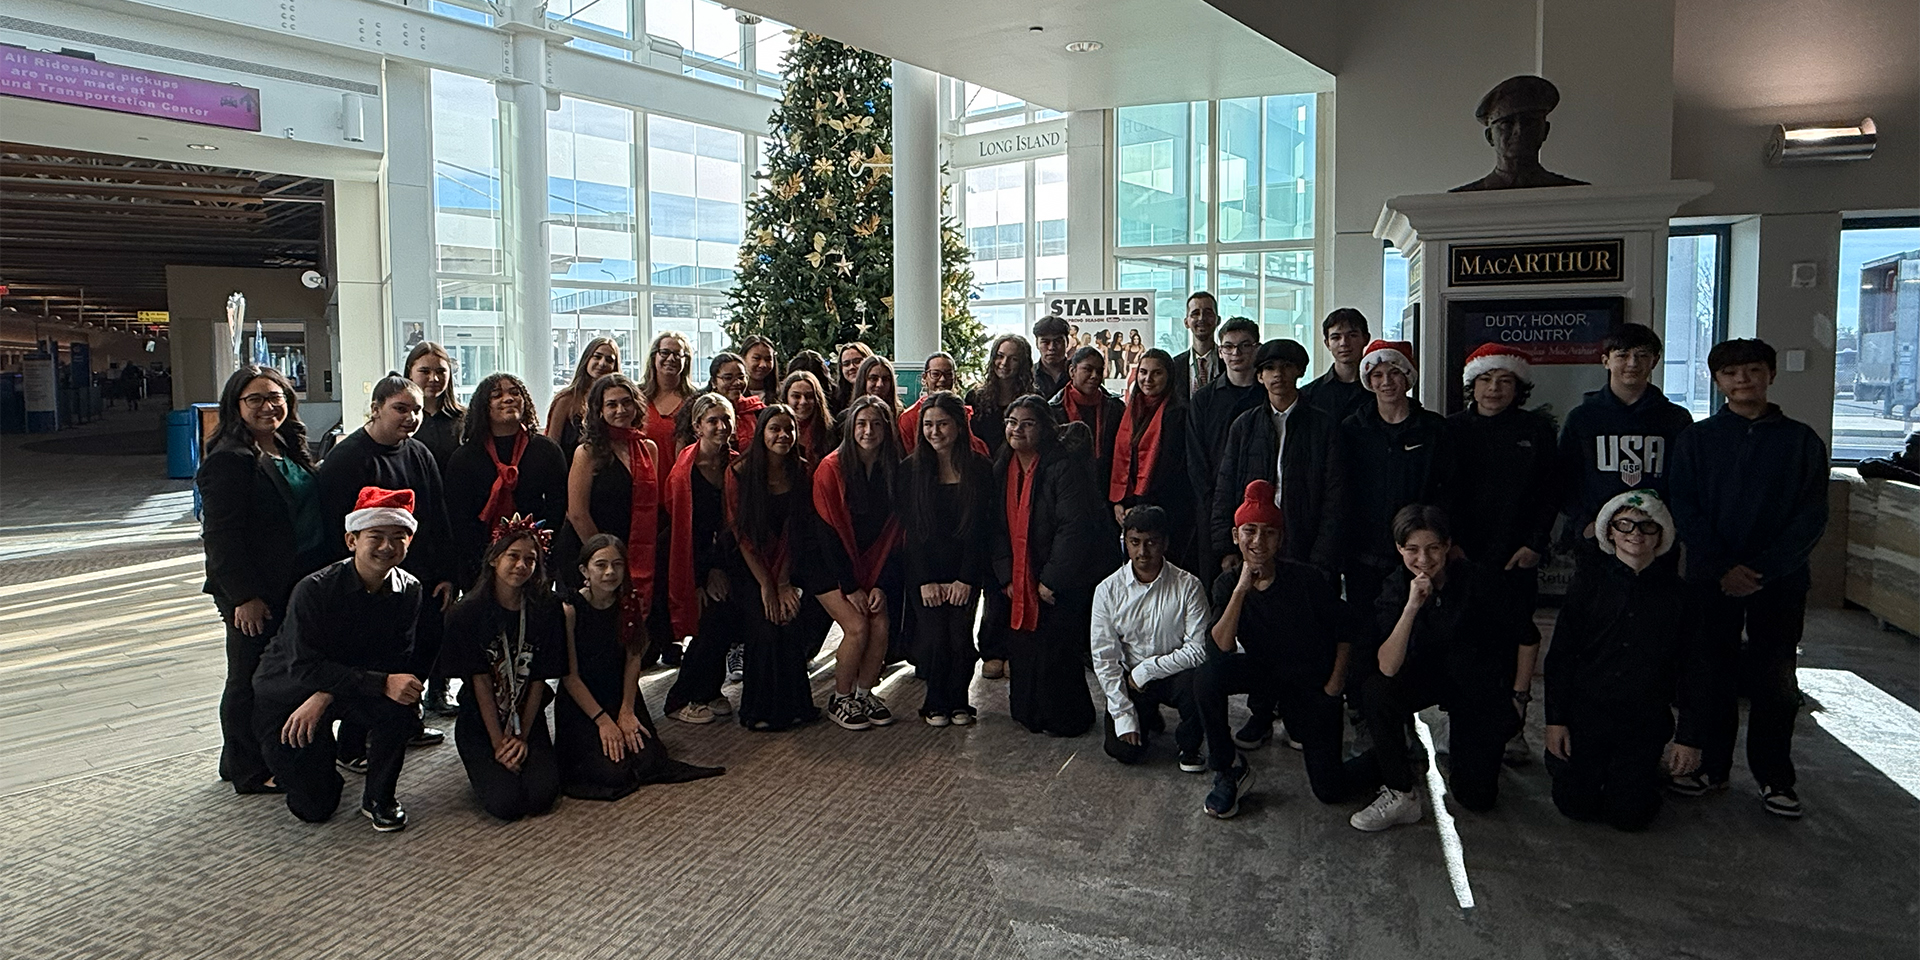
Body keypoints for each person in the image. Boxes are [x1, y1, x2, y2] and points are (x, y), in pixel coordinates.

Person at [1666, 338, 1829, 818]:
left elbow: (1811, 516)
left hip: (1779, 582)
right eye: (1732, 374)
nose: (1743, 381)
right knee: (1708, 672)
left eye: (1753, 371)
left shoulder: (1801, 441)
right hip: (1710, 579)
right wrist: (1722, 568)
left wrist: (1764, 570)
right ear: (1716, 381)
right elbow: (1685, 506)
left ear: (1770, 376)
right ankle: (1710, 767)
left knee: (1776, 680)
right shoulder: (1697, 439)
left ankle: (1775, 776)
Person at [251, 487, 425, 831]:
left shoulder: (410, 589)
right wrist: (326, 692)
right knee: (314, 807)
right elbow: (302, 667)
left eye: (398, 537)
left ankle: (379, 797)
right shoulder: (313, 590)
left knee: (401, 705)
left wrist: (328, 693)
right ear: (351, 540)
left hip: (339, 686)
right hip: (290, 690)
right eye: (376, 536)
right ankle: (321, 764)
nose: (387, 546)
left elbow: (395, 657)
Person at [1197, 481, 1372, 819]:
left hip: (1311, 682)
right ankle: (1228, 769)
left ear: (1280, 539)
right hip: (1266, 674)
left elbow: (1348, 626)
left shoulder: (1307, 580)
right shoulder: (1227, 584)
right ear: (1236, 536)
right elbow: (1219, 648)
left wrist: (1335, 687)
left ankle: (1384, 759)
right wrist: (1241, 589)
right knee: (1208, 677)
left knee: (1330, 790)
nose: (1258, 542)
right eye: (1250, 531)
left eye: (1268, 533)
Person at [1349, 505, 1530, 832]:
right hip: (1424, 676)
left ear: (1447, 546)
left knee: (1477, 798)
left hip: (1474, 684)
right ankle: (1401, 792)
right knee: (1376, 690)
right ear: (1400, 549)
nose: (1424, 559)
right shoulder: (1395, 586)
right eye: (1413, 549)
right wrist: (1412, 606)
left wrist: (1519, 697)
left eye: (1433, 548)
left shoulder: (1477, 581)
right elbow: (1388, 667)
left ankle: (1466, 746)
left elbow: (1527, 636)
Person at [1545, 490, 1710, 831]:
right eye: (1625, 525)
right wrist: (1555, 721)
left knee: (1630, 818)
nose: (1635, 534)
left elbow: (1696, 669)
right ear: (1609, 532)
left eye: (1647, 527)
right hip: (1586, 714)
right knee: (1575, 806)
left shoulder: (1680, 597)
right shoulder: (1587, 586)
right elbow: (1561, 658)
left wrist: (1688, 737)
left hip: (1643, 720)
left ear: (1661, 535)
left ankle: (1637, 775)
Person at [198, 365, 328, 795]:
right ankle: (247, 770)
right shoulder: (229, 461)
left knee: (275, 673)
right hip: (255, 591)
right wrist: (244, 597)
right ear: (236, 407)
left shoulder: (287, 448)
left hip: (294, 582)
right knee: (248, 676)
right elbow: (220, 537)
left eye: (275, 397)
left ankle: (237, 759)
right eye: (255, 399)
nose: (267, 406)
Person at [317, 375, 455, 754]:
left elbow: (437, 518)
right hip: (365, 582)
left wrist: (445, 574)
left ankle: (406, 721)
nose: (410, 417)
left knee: (418, 651)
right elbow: (333, 530)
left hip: (418, 579)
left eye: (415, 410)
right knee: (372, 660)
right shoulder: (347, 459)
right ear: (375, 409)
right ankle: (353, 741)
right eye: (400, 408)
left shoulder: (419, 453)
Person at [1446, 343, 1559, 764]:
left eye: (1504, 380)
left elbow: (1550, 494)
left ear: (1518, 387)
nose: (1494, 389)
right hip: (1463, 558)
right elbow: (1443, 493)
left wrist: (1535, 544)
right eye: (1486, 380)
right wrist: (1450, 545)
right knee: (1465, 640)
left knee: (1514, 639)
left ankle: (1513, 725)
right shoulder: (1452, 430)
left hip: (1517, 558)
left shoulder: (1536, 431)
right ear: (1472, 385)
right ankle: (1462, 722)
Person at [557, 534, 724, 801]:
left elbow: (633, 659)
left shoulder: (629, 603)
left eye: (617, 564)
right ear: (583, 570)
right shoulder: (570, 610)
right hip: (583, 703)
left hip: (619, 694)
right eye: (601, 565)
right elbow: (570, 677)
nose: (610, 572)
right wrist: (603, 721)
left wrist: (626, 710)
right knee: (613, 775)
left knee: (647, 761)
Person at [992, 397, 1113, 737]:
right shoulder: (1003, 465)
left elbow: (1074, 528)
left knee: (1056, 652)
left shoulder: (1063, 466)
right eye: (1011, 421)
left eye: (1027, 423)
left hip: (1058, 580)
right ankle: (1028, 713)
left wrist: (1050, 580)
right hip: (1018, 576)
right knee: (1024, 649)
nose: (1017, 429)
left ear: (1045, 428)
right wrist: (1007, 575)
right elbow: (996, 527)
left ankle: (1065, 718)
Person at [442, 517, 565, 822]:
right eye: (513, 556)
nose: (521, 566)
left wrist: (521, 737)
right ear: (495, 558)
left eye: (530, 559)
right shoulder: (467, 613)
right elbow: (479, 681)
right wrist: (500, 744)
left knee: (541, 797)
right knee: (506, 804)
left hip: (527, 718)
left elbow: (539, 678)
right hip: (481, 723)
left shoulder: (547, 609)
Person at [1556, 323, 1694, 570]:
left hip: (1655, 541)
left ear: (1655, 361)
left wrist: (1671, 526)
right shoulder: (1582, 418)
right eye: (1622, 355)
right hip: (1596, 540)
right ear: (1605, 361)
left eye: (1642, 355)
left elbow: (1687, 480)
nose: (1632, 363)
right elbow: (1563, 477)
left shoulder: (1676, 419)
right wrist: (1584, 523)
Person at [1337, 339, 1452, 621]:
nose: (1386, 382)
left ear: (1408, 378)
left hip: (1419, 557)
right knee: (1364, 631)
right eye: (1377, 375)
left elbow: (1450, 487)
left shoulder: (1435, 429)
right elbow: (1340, 490)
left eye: (1395, 373)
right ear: (1368, 380)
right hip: (1364, 556)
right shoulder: (1352, 429)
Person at [898, 391, 993, 726]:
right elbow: (912, 532)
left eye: (942, 424)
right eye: (928, 424)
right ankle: (935, 702)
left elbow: (981, 530)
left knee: (960, 639)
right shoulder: (909, 470)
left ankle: (959, 702)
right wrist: (925, 580)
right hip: (924, 570)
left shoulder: (980, 468)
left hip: (964, 570)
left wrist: (966, 579)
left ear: (959, 425)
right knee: (935, 638)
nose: (934, 431)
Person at [1210, 338, 1344, 576]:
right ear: (1260, 376)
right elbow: (1225, 486)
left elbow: (1335, 493)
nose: (1278, 374)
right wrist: (1224, 547)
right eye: (1269, 368)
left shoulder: (1323, 425)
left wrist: (1324, 554)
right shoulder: (1244, 425)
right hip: (1255, 541)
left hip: (1306, 539)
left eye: (1286, 366)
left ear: (1300, 371)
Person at [1089, 506, 1210, 768]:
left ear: (1165, 543)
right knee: (1123, 752)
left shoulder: (1189, 586)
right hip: (1131, 680)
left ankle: (1189, 746)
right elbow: (1105, 657)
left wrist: (1146, 671)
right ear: (1126, 543)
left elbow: (1199, 649)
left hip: (1175, 674)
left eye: (1151, 543)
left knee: (1201, 681)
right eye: (1135, 543)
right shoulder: (1107, 591)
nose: (1142, 552)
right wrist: (1123, 714)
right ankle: (1147, 714)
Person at [555, 374, 662, 664]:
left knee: (624, 634)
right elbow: (577, 513)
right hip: (586, 550)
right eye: (611, 404)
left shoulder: (648, 448)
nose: (620, 410)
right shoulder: (587, 452)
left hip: (631, 550)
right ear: (599, 411)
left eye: (626, 403)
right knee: (591, 636)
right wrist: (606, 560)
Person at [728, 404, 823, 731]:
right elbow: (741, 535)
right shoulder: (739, 472)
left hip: (790, 566)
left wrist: (783, 582)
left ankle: (796, 707)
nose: (783, 435)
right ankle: (760, 710)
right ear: (761, 433)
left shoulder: (802, 471)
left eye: (789, 430)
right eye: (775, 429)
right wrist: (767, 586)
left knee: (789, 620)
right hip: (748, 568)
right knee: (765, 624)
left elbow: (799, 532)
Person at [813, 396, 905, 730]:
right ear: (850, 427)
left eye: (877, 424)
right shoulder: (831, 468)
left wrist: (879, 583)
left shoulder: (893, 467)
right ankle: (840, 697)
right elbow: (827, 534)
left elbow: (894, 535)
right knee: (857, 625)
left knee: (880, 622)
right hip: (826, 567)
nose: (868, 431)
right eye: (862, 424)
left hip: (872, 566)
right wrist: (850, 587)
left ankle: (864, 693)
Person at [443, 373, 568, 590]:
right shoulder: (465, 457)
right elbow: (459, 519)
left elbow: (558, 507)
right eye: (497, 395)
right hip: (480, 563)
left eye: (514, 393)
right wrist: (487, 560)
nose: (508, 399)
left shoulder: (546, 451)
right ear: (484, 406)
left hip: (534, 560)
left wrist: (540, 549)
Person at [662, 394, 743, 724]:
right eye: (712, 420)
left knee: (725, 622)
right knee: (710, 623)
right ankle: (679, 698)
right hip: (692, 560)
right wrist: (702, 575)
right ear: (697, 426)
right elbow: (682, 528)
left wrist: (722, 568)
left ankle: (709, 690)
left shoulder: (736, 465)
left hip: (728, 559)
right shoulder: (684, 471)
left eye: (726, 419)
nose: (721, 427)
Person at [1185, 318, 1265, 572]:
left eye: (1244, 345)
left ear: (1257, 348)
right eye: (1228, 347)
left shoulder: (1268, 396)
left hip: (1263, 507)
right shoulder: (1203, 400)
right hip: (1215, 509)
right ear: (1220, 352)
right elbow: (1197, 461)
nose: (1236, 353)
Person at [1109, 349, 1195, 571]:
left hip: (1165, 510)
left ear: (1169, 376)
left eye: (1156, 373)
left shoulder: (1178, 413)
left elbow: (1171, 468)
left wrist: (1138, 507)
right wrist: (1121, 502)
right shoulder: (1132, 408)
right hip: (1132, 508)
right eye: (1143, 372)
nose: (1148, 379)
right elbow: (1124, 461)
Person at [1049, 346, 1125, 486]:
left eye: (1099, 371)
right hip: (1067, 485)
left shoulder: (1115, 407)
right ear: (1072, 371)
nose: (1094, 376)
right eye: (1088, 369)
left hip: (1106, 484)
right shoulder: (1053, 409)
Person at [899, 352, 990, 457]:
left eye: (948, 374)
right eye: (935, 374)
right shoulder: (908, 418)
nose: (942, 379)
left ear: (955, 378)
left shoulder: (967, 414)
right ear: (924, 378)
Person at [546, 337, 622, 463]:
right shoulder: (566, 399)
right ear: (587, 359)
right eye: (597, 356)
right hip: (568, 472)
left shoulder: (618, 402)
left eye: (609, 360)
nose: (602, 363)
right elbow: (552, 446)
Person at [966, 333, 1037, 462]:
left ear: (1022, 364)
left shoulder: (1034, 399)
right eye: (1000, 356)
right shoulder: (975, 397)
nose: (1004, 363)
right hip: (981, 467)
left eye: (1013, 359)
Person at [1299, 309, 1373, 425]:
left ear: (1366, 339)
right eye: (1335, 337)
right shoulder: (1308, 395)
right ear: (1327, 343)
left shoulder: (1380, 390)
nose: (1344, 343)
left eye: (1352, 335)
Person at [639, 332, 695, 479]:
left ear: (686, 361)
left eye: (678, 354)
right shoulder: (635, 397)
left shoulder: (695, 400)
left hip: (682, 486)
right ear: (654, 356)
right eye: (665, 352)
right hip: (641, 484)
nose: (671, 358)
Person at [403, 341, 464, 468]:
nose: (434, 379)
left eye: (441, 371)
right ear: (410, 373)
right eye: (425, 372)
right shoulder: (400, 420)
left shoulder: (467, 419)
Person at [1170, 291, 1221, 398]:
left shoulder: (1229, 361)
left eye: (1208, 313)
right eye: (1195, 313)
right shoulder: (1173, 366)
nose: (1202, 318)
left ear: (1218, 320)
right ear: (1186, 322)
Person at [781, 369, 834, 462]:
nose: (803, 402)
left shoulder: (831, 432)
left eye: (809, 396)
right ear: (786, 398)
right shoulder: (777, 432)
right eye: (796, 396)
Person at [830, 341, 877, 417]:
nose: (851, 367)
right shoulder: (835, 401)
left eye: (857, 361)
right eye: (846, 364)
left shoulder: (880, 391)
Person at [1032, 315, 1071, 401]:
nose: (1051, 347)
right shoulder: (1028, 375)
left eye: (1058, 341)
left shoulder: (1079, 374)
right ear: (1037, 344)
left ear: (1067, 342)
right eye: (1045, 342)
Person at [739, 335, 782, 404]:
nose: (763, 365)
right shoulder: (734, 395)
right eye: (756, 358)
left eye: (768, 359)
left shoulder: (782, 395)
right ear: (743, 358)